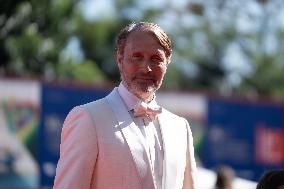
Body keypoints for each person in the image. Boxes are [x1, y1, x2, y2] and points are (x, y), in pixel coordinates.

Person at [53, 22, 197, 189]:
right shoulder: (89, 118)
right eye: (137, 57)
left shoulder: (180, 128)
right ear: (120, 60)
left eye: (156, 59)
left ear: (167, 63)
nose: (146, 68)